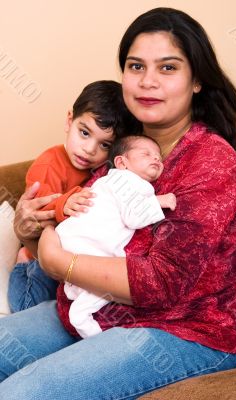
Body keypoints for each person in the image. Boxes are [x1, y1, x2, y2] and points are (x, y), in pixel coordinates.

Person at [0, 7, 236, 399]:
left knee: (21, 394)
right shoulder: (120, 151)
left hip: (186, 329)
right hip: (95, 311)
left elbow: (163, 283)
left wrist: (56, 261)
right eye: (136, 66)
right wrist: (30, 232)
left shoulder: (211, 161)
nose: (147, 81)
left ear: (197, 79)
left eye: (167, 68)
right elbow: (84, 231)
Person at [8, 80, 141, 312]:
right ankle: (22, 269)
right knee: (30, 308)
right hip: (37, 260)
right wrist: (65, 202)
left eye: (104, 144)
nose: (89, 149)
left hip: (74, 262)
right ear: (70, 120)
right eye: (84, 132)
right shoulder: (50, 164)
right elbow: (38, 214)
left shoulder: (105, 171)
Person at [57, 135, 176, 338]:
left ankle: (75, 293)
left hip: (70, 239)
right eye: (146, 154)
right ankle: (86, 326)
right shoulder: (128, 180)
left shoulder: (108, 180)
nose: (156, 159)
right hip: (88, 243)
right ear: (122, 162)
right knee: (106, 282)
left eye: (158, 157)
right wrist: (160, 201)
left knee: (87, 281)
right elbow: (133, 217)